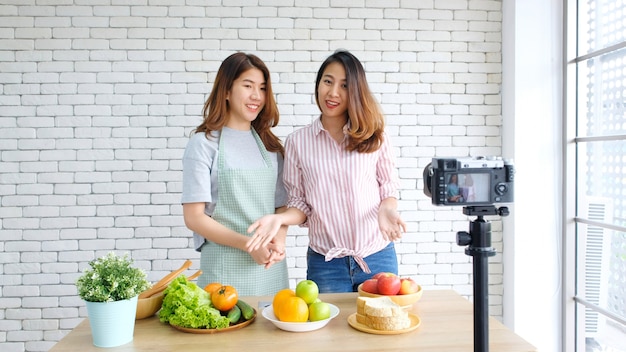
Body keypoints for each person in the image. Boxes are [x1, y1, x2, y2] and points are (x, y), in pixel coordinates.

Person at [246, 50, 406, 293]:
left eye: (344, 85)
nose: (333, 93)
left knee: (379, 327)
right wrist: (279, 219)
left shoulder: (375, 135)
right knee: (330, 331)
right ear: (318, 84)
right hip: (326, 264)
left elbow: (388, 186)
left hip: (377, 257)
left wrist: (387, 208)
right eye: (328, 81)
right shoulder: (298, 142)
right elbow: (299, 204)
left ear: (356, 91)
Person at [181, 52, 289, 296]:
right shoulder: (203, 145)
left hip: (269, 268)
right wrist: (248, 245)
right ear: (226, 91)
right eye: (248, 86)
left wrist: (278, 242)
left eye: (262, 88)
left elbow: (281, 209)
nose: (256, 96)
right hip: (223, 271)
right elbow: (194, 218)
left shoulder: (271, 147)